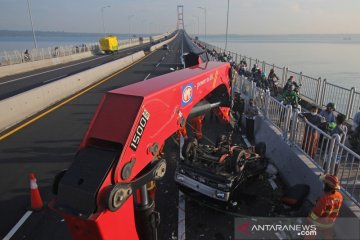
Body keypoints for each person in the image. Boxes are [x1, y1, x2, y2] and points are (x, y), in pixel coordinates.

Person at [306, 174, 343, 240]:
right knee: (328, 236)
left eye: (324, 183)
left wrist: (309, 218)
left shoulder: (324, 199)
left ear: (327, 185)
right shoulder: (339, 196)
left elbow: (317, 213)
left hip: (320, 224)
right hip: (330, 223)